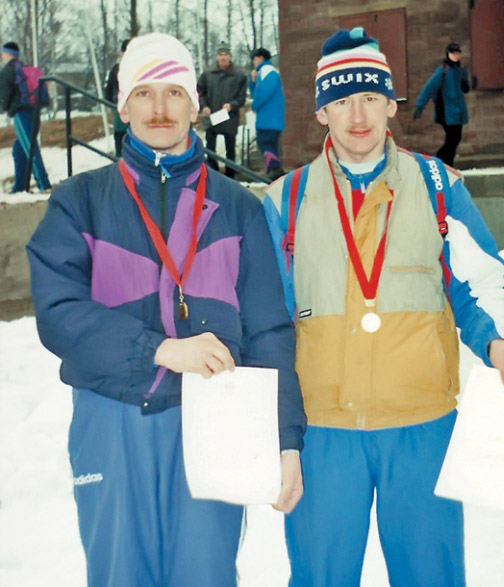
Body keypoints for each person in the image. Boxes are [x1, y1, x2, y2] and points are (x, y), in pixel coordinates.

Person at [26, 32, 305, 587]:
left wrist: (286, 437)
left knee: (205, 574)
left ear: (196, 105)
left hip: (216, 420)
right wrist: (157, 349)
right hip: (112, 416)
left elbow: (270, 329)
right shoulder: (79, 201)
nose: (159, 109)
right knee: (118, 575)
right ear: (123, 103)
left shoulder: (238, 208)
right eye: (145, 93)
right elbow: (58, 311)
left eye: (174, 92)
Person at [262, 27, 504, 586]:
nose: (356, 115)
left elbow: (480, 281)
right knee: (320, 577)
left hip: (422, 426)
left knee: (430, 575)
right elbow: (266, 321)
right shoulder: (285, 200)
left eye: (368, 98)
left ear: (390, 104)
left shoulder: (437, 185)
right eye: (340, 101)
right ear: (320, 114)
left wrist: (499, 340)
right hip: (323, 431)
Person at [0, 41, 51, 193]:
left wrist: (2, 108)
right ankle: (20, 186)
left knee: (30, 148)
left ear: (6, 54)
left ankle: (44, 185)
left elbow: (4, 94)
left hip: (21, 113)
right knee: (19, 150)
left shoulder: (7, 71)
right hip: (34, 110)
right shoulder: (24, 68)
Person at [413, 42, 470, 166]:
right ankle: (438, 163)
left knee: (455, 140)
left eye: (457, 53)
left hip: (458, 113)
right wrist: (419, 106)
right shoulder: (443, 71)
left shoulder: (460, 70)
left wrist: (465, 83)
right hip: (447, 113)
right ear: (448, 54)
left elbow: (464, 89)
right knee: (452, 140)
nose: (455, 56)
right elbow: (429, 88)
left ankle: (447, 165)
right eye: (453, 53)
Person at [197, 42, 247, 178]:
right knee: (210, 147)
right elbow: (200, 92)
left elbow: (242, 97)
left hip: (229, 117)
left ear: (230, 56)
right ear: (217, 57)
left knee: (230, 148)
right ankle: (212, 174)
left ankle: (231, 176)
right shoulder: (207, 74)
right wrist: (204, 106)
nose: (223, 57)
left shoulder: (239, 75)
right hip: (212, 117)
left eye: (225, 54)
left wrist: (232, 105)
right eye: (220, 54)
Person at [249, 47, 285, 180]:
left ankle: (274, 170)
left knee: (265, 143)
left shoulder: (267, 71)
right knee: (270, 146)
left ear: (260, 58)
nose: (254, 62)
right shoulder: (265, 73)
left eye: (254, 59)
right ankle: (273, 171)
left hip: (268, 119)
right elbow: (256, 92)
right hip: (271, 119)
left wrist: (254, 105)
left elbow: (263, 92)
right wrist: (252, 82)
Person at [104, 38, 130, 157]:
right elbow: (109, 89)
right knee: (121, 137)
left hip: (127, 109)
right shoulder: (117, 69)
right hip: (120, 108)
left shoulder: (119, 69)